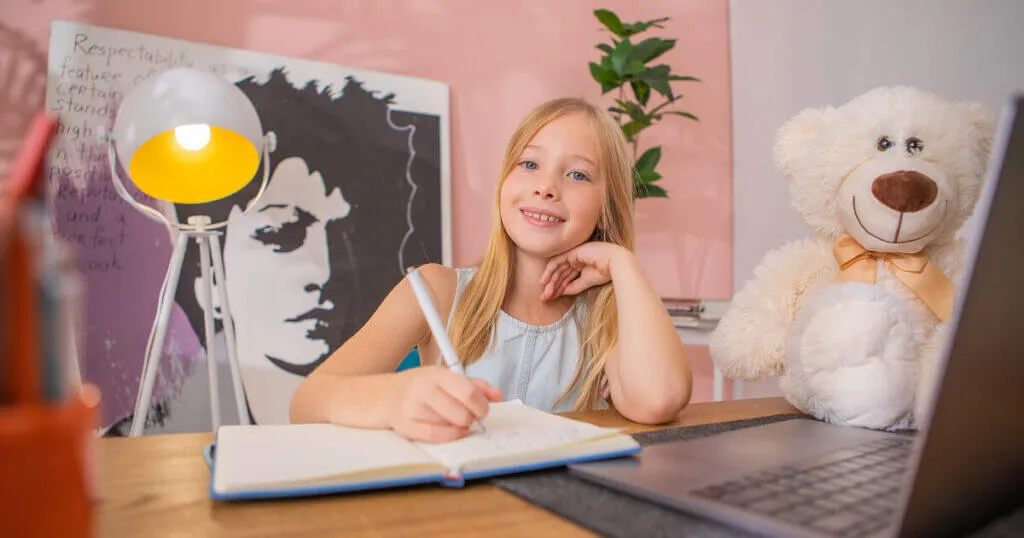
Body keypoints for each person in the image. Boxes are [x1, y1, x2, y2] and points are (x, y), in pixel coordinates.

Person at [290, 97, 693, 442]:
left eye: (577, 174)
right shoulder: (435, 289)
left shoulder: (612, 318)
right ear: (504, 183)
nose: (546, 187)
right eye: (529, 164)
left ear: (606, 208)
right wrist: (393, 398)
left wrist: (623, 263)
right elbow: (306, 405)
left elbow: (659, 401)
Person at [169, 67, 443, 426]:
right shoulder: (164, 430)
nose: (323, 272)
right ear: (210, 285)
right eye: (282, 235)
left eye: (343, 236)